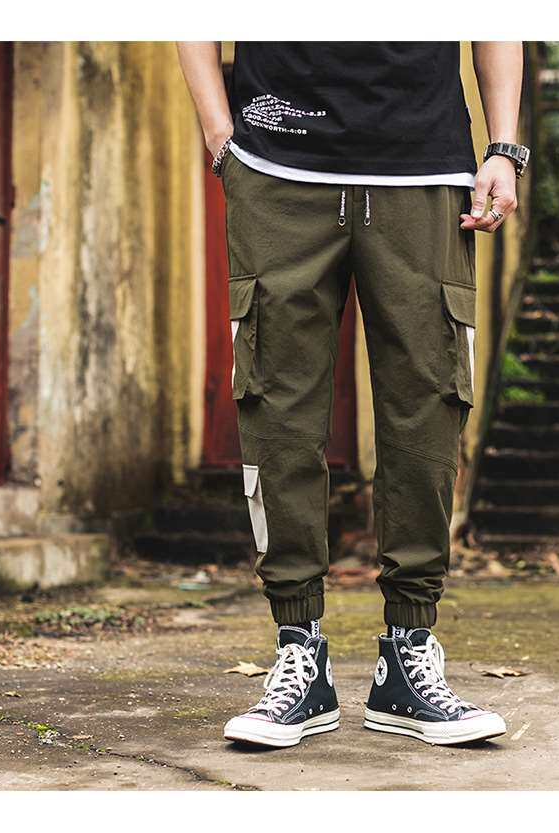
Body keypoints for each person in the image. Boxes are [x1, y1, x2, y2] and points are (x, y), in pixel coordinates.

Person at [178, 41, 528, 748]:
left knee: (427, 407)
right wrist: (219, 135)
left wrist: (503, 147)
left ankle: (408, 654)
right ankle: (298, 652)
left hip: (425, 165)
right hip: (277, 164)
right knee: (277, 409)